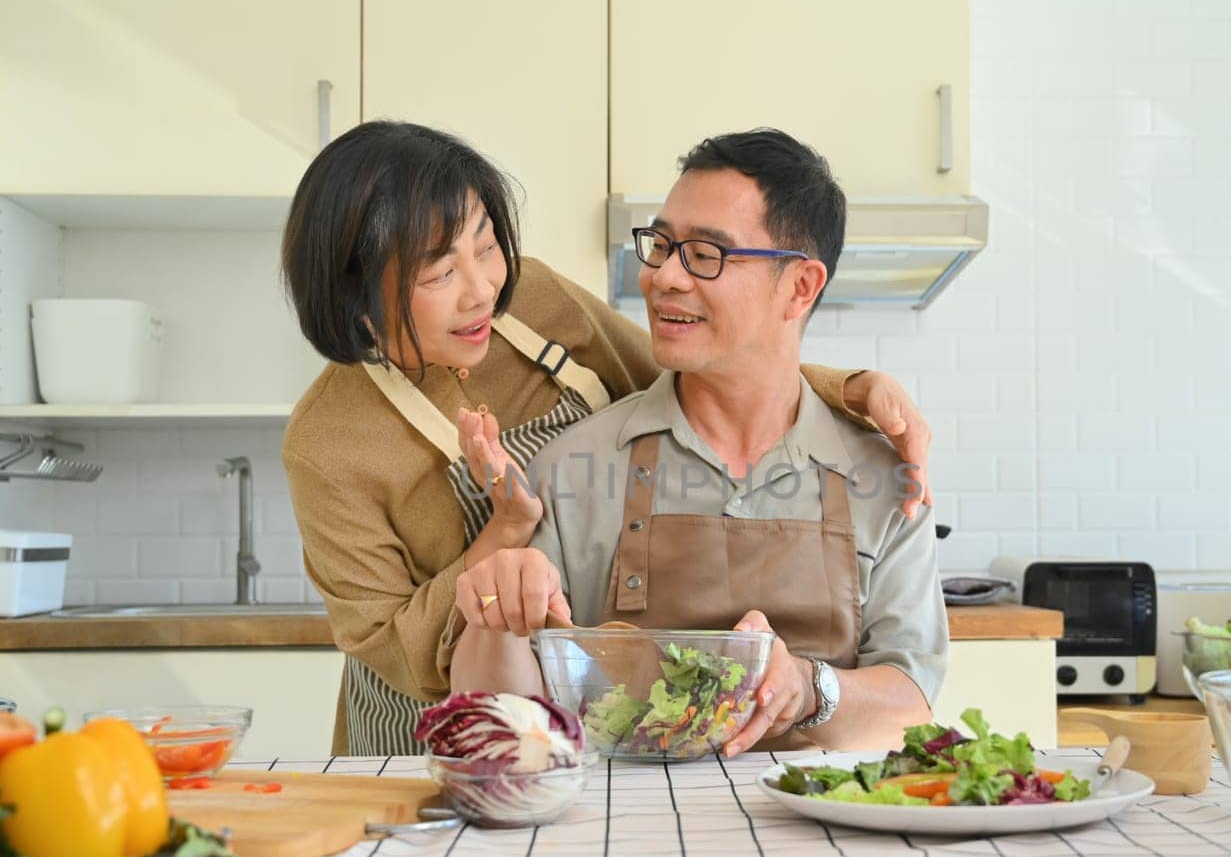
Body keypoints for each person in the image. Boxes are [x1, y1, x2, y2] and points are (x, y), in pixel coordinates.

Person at [280, 121, 935, 755]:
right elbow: (405, 655)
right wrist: (507, 532)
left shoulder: (531, 302)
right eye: (438, 272)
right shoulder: (330, 444)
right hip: (420, 732)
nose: (482, 291)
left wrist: (848, 388)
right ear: (357, 288)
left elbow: (694, 361)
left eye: (485, 247)